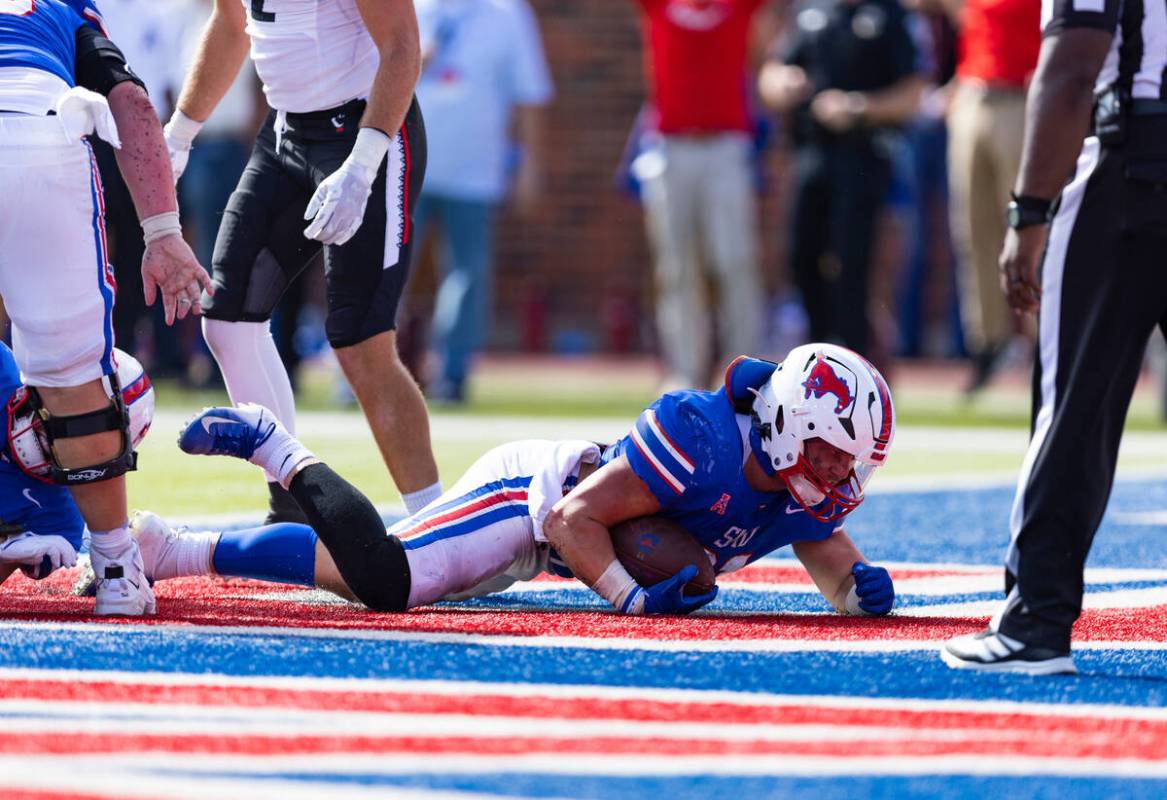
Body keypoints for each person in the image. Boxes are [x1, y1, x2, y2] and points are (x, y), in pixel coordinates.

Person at [110, 344, 897, 618]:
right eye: (831, 453)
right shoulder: (703, 439)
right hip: (536, 498)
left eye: (850, 462)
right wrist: (631, 597)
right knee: (388, 580)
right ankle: (277, 449)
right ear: (791, 422)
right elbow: (572, 520)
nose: (839, 474)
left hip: (554, 546)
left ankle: (174, 549)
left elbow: (825, 550)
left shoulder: (802, 490)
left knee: (349, 577)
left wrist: (858, 589)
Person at [942, 0, 1167, 674]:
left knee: (1072, 408)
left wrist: (1029, 212)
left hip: (1130, 171)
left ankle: (1035, 621)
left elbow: (1071, 66)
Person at [163, 0, 442, 524]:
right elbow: (230, 25)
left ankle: (440, 524)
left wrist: (362, 167)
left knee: (361, 342)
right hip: (286, 132)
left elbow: (402, 46)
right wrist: (178, 135)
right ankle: (291, 501)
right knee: (227, 321)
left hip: (367, 131)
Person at [0, 0, 212, 614]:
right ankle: (117, 570)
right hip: (43, 132)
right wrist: (164, 230)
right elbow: (134, 104)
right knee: (72, 376)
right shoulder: (61, 12)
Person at [758, 0, 925, 361]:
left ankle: (857, 359)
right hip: (810, 153)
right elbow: (771, 72)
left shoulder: (890, 16)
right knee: (800, 256)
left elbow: (913, 92)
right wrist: (783, 83)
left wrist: (858, 107)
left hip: (863, 155)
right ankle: (817, 351)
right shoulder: (810, 12)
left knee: (853, 262)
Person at [412, 0, 553, 404]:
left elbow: (530, 93)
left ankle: (451, 375)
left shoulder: (507, 13)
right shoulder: (409, 6)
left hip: (475, 171)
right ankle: (363, 374)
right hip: (404, 167)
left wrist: (530, 166)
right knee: (385, 272)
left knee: (467, 275)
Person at [628, 0, 769, 390]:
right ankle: (684, 373)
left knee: (735, 261)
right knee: (677, 268)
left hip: (726, 145)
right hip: (671, 147)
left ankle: (749, 375)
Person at [943, 0, 1039, 394]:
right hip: (972, 94)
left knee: (1029, 227)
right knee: (972, 230)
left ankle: (1040, 341)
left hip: (1020, 97)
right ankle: (988, 342)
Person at [0, 342, 155, 588]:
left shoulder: (59, 521)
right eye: (64, 423)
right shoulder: (3, 373)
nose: (55, 441)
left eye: (90, 440)